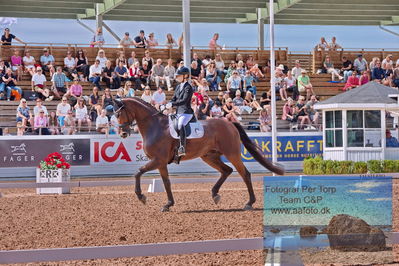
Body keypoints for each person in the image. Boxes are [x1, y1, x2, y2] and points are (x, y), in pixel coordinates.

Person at [169, 67, 194, 156]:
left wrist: (173, 104)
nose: (177, 77)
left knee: (180, 124)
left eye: (179, 75)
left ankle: (182, 147)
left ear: (185, 76)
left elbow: (184, 101)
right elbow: (174, 98)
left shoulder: (188, 87)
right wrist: (168, 103)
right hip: (178, 112)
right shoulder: (178, 86)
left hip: (186, 112)